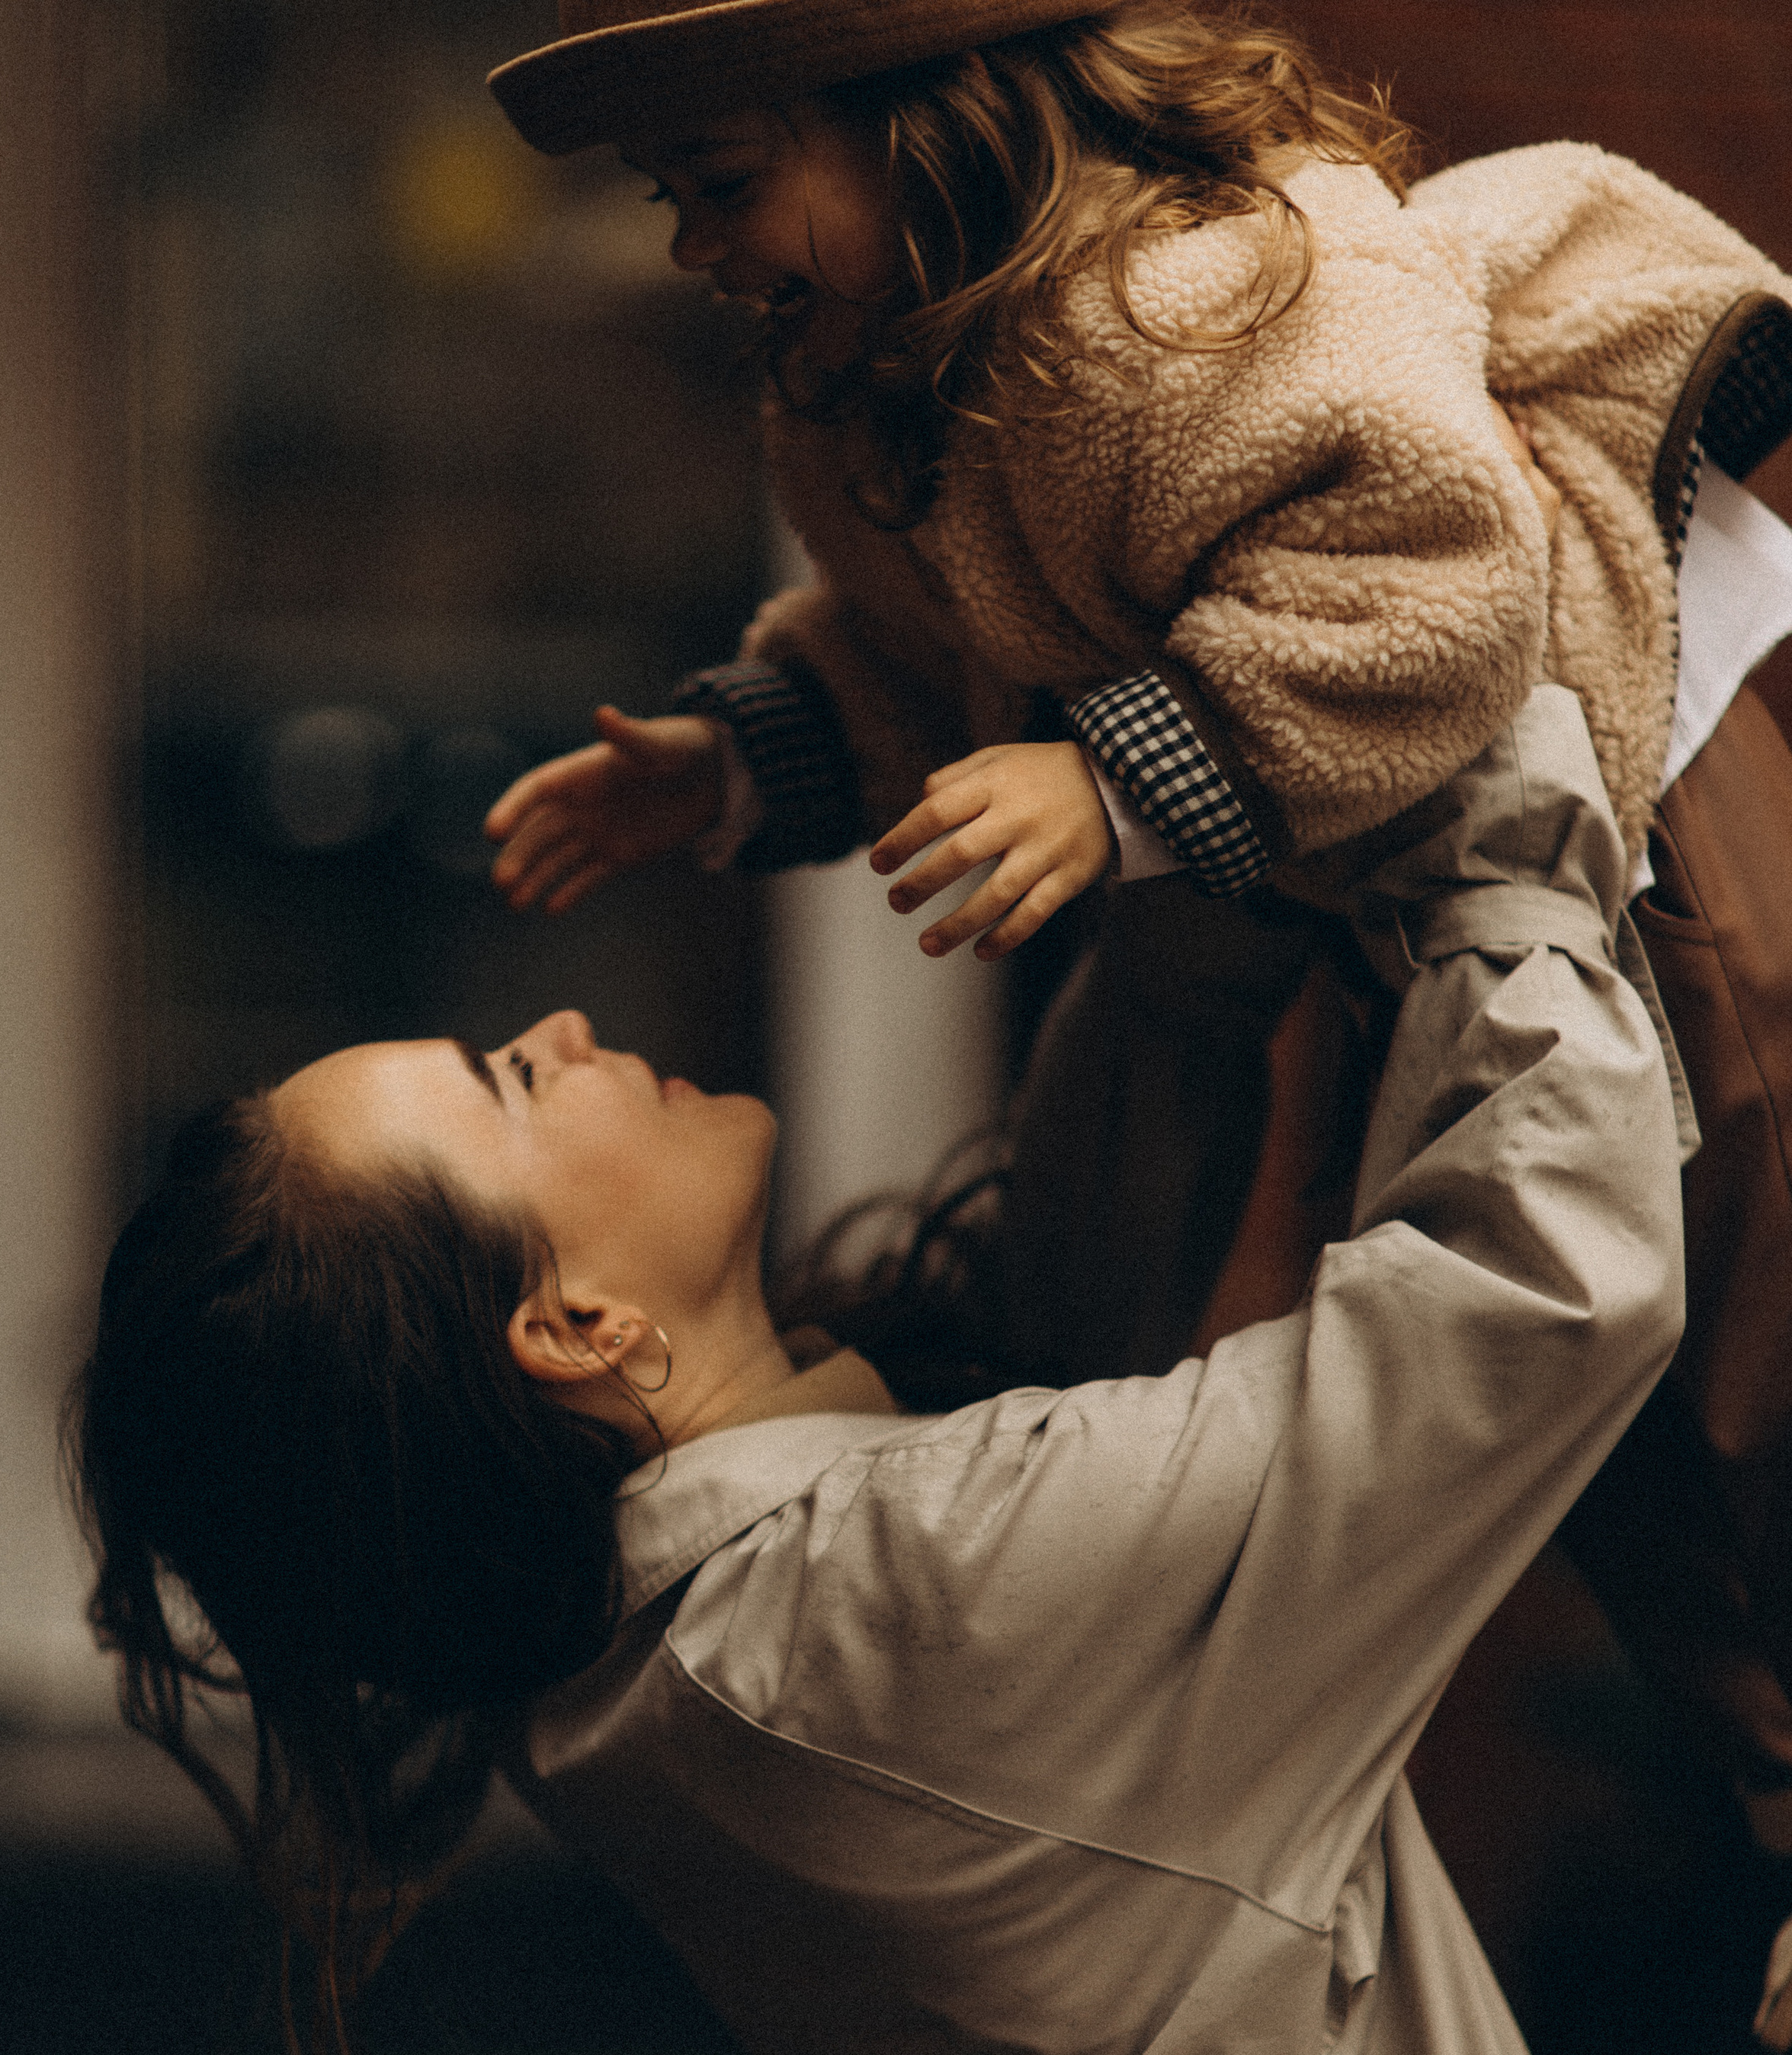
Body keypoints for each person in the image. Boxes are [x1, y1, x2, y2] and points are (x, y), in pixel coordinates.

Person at [69, 688, 1749, 2055]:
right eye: (504, 1087)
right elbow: (1541, 1283)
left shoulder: (671, 1665)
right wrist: (1496, 735)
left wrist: (1167, 802)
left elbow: (1073, 1311)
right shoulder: (898, 1622)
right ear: (569, 1328)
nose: (562, 1026)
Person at [482, 0, 1792, 1807]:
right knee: (1501, 1366)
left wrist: (1109, 781)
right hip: (1372, 864)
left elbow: (1438, 575)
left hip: (1627, 827)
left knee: (1742, 1295)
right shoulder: (886, 375)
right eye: (666, 201)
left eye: (723, 184)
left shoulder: (1199, 298)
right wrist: (733, 763)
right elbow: (916, 640)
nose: (699, 247)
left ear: (930, 129)